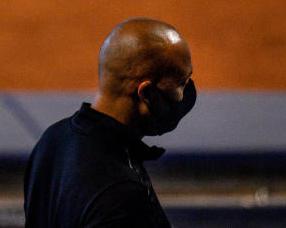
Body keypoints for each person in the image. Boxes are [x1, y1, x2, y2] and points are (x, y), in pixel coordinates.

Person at [24, 18, 196, 228]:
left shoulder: (52, 140)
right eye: (180, 83)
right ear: (147, 94)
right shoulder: (123, 196)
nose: (186, 92)